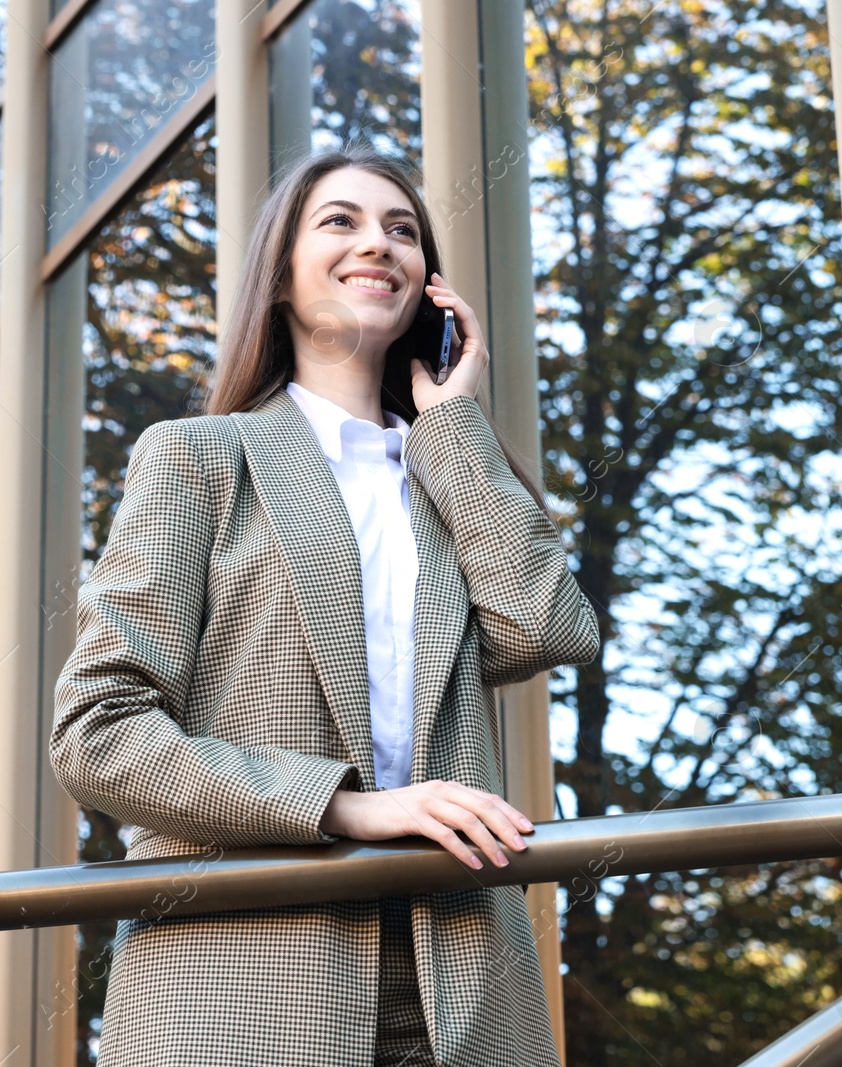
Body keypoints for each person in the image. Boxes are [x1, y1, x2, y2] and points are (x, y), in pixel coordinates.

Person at [50, 144, 601, 1067]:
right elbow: (97, 734)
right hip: (243, 982)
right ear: (280, 274)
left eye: (403, 230)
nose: (378, 243)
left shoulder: (443, 477)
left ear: (429, 284)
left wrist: (452, 425)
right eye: (339, 221)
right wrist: (347, 807)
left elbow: (549, 627)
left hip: (460, 985)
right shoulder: (198, 458)